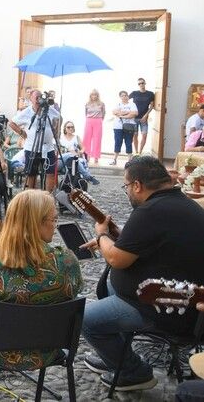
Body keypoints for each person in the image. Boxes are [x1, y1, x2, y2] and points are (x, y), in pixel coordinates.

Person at [80, 156, 204, 392]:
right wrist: (111, 241)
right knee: (109, 287)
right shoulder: (183, 203)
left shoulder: (150, 211)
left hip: (168, 309)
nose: (127, 191)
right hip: (184, 303)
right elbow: (140, 243)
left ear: (137, 185)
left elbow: (116, 259)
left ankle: (133, 372)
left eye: (126, 186)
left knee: (83, 318)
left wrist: (102, 235)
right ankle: (117, 355)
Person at [0, 190, 82, 399]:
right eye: (53, 219)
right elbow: (73, 294)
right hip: (47, 350)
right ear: (36, 223)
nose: (55, 225)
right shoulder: (67, 261)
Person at [8, 89, 61, 192]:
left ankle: (48, 197)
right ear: (31, 99)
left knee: (50, 172)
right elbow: (11, 123)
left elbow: (59, 117)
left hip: (48, 147)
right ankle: (30, 196)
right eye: (36, 98)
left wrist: (56, 130)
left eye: (40, 97)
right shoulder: (27, 112)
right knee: (31, 174)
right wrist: (22, 133)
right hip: (31, 148)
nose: (38, 100)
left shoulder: (49, 109)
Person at [110, 90, 138, 166]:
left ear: (128, 96)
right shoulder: (118, 104)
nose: (124, 97)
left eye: (125, 95)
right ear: (120, 97)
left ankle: (129, 161)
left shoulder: (132, 104)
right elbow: (114, 112)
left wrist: (122, 115)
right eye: (122, 96)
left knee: (128, 142)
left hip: (129, 126)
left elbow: (135, 113)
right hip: (118, 127)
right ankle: (114, 159)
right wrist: (128, 112)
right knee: (117, 142)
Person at [129, 78, 155, 155]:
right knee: (135, 136)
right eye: (139, 83)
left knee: (144, 135)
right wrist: (129, 112)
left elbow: (151, 106)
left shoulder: (150, 94)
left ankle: (140, 152)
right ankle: (136, 152)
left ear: (145, 83)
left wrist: (146, 115)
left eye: (142, 83)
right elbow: (125, 100)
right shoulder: (134, 93)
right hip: (134, 118)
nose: (141, 85)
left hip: (144, 118)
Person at [83, 89, 106, 165]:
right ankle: (87, 155)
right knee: (87, 138)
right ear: (90, 95)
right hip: (89, 120)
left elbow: (104, 113)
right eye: (93, 94)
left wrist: (100, 120)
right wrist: (89, 119)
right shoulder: (87, 103)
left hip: (98, 120)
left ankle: (96, 157)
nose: (94, 96)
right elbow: (85, 113)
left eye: (95, 94)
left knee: (97, 139)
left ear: (97, 95)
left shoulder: (101, 104)